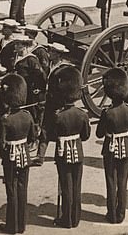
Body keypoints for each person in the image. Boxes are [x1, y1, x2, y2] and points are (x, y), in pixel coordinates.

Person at [49, 67, 91, 228]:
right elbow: (86, 135)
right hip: (78, 152)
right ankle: (75, 217)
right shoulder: (82, 114)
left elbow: (53, 135)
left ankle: (66, 219)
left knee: (66, 187)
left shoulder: (58, 115)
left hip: (62, 152)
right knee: (76, 185)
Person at [0, 73, 36, 234]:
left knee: (11, 190)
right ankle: (21, 225)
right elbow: (33, 137)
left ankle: (11, 226)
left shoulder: (5, 119)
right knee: (22, 189)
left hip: (11, 157)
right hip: (25, 155)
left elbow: (1, 143)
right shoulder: (27, 116)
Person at [97, 67, 128, 224]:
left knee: (111, 181)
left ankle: (111, 213)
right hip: (125, 147)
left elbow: (99, 134)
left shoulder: (107, 112)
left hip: (110, 148)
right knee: (123, 182)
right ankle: (121, 213)